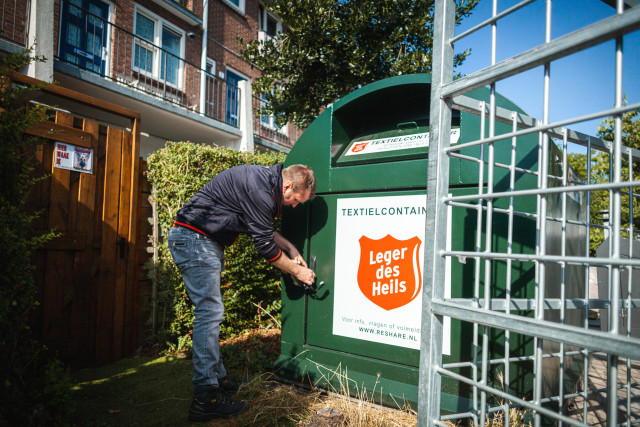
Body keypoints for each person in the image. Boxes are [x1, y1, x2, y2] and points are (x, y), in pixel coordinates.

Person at [168, 163, 316, 422]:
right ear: (288, 185)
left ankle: (218, 380)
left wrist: (291, 249)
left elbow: (262, 228)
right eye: (294, 200)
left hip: (199, 241)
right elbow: (265, 248)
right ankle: (205, 398)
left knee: (211, 313)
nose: (293, 205)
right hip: (195, 241)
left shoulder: (265, 183)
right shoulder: (261, 190)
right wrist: (298, 272)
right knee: (209, 313)